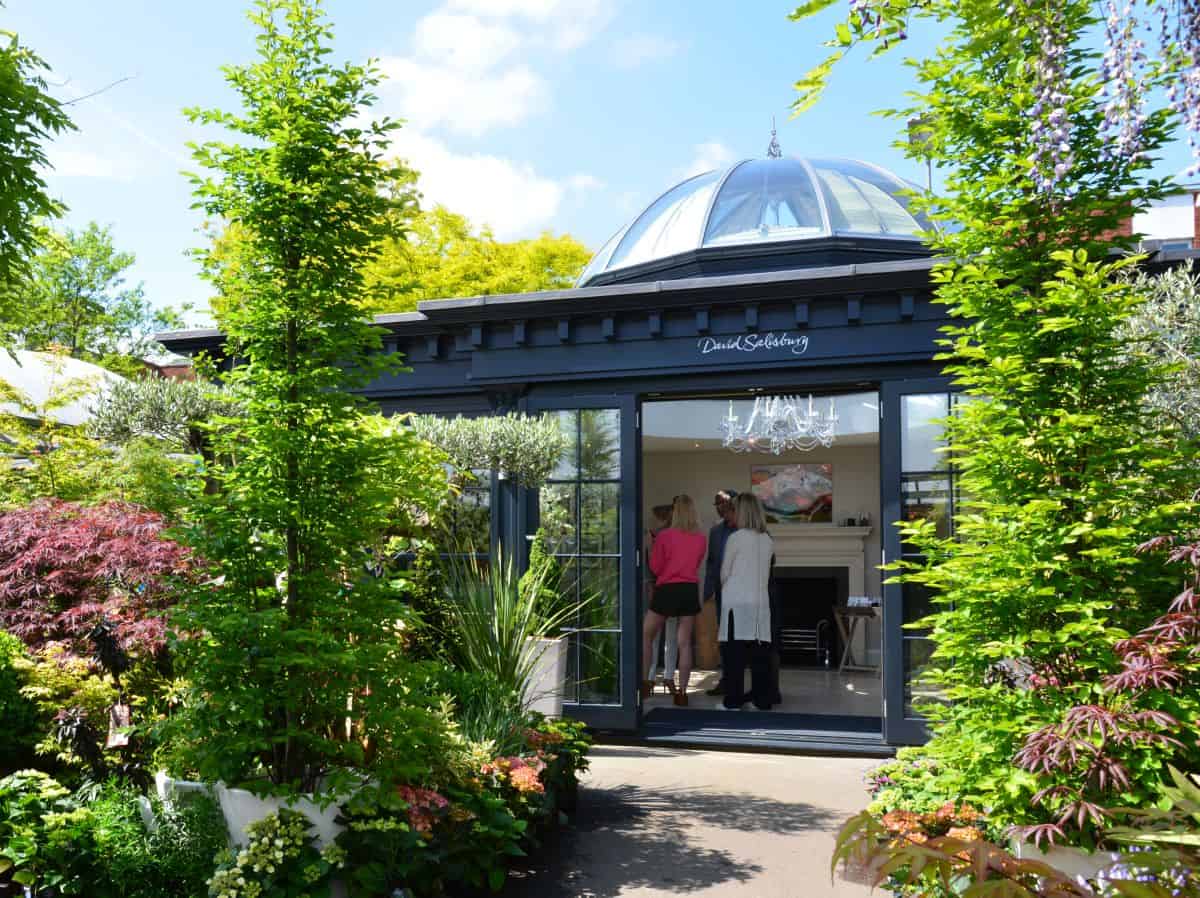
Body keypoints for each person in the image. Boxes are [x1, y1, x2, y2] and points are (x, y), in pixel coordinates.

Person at [643, 494, 708, 707]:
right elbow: (697, 564)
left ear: (675, 512)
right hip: (689, 590)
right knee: (684, 643)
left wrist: (651, 547)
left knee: (647, 634)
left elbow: (655, 568)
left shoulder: (665, 536)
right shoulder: (700, 538)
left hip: (667, 589)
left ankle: (645, 683)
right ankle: (681, 693)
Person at [718, 493, 775, 710]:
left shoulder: (736, 538)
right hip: (760, 604)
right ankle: (762, 700)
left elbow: (724, 573)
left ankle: (732, 702)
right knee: (760, 656)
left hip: (736, 604)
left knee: (734, 657)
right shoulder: (767, 540)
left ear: (741, 512)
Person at [702, 489, 739, 696]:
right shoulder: (715, 532)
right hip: (721, 592)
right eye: (715, 504)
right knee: (724, 637)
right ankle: (726, 680)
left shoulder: (745, 528)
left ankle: (740, 683)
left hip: (743, 591)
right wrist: (707, 591)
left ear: (733, 504)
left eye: (721, 503)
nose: (718, 507)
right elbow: (711, 563)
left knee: (742, 638)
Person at [644, 504, 679, 693]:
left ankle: (668, 677)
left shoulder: (680, 536)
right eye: (665, 515)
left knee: (671, 637)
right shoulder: (654, 535)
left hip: (673, 588)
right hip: (657, 587)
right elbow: (649, 564)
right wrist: (650, 585)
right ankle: (650, 678)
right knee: (654, 636)